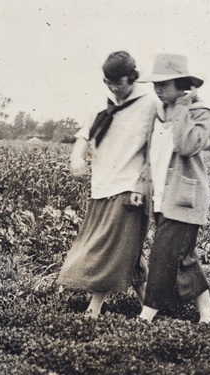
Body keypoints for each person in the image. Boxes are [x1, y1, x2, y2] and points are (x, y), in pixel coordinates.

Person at [56, 51, 157, 318]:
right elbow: (83, 136)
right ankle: (153, 310)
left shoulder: (150, 103)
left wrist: (141, 183)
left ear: (132, 78)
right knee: (128, 252)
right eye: (108, 82)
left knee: (108, 248)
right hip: (101, 187)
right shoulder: (103, 102)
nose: (113, 88)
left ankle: (95, 308)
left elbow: (154, 150)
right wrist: (76, 158)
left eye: (119, 83)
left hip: (130, 189)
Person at [138, 53, 210, 323]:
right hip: (160, 196)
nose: (158, 90)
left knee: (162, 254)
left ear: (181, 83)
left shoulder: (200, 113)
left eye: (165, 84)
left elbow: (186, 146)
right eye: (155, 84)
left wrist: (183, 106)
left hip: (185, 199)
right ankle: (207, 311)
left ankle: (147, 314)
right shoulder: (157, 113)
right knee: (183, 256)